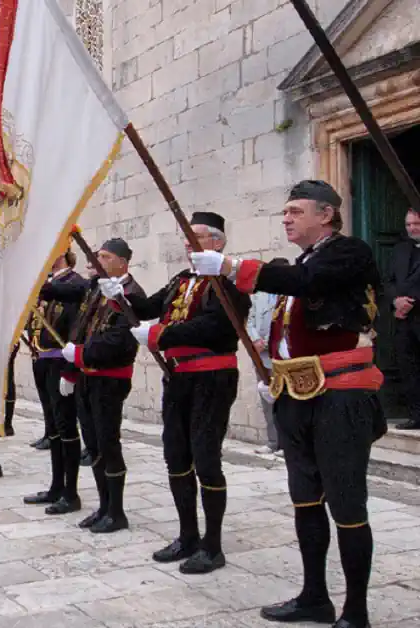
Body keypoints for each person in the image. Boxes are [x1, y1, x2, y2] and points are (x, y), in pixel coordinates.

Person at [191, 180, 383, 628]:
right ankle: (314, 596)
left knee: (347, 504)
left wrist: (233, 265)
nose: (286, 218)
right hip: (296, 394)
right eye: (284, 211)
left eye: (296, 210)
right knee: (305, 499)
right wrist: (275, 369)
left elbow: (307, 283)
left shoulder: (348, 252)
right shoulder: (304, 261)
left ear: (327, 215)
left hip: (342, 395)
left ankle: (356, 612)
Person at [103, 212, 250, 574]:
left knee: (206, 457)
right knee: (176, 455)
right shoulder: (181, 280)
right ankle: (187, 535)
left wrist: (160, 336)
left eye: (195, 237)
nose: (188, 243)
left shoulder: (228, 283)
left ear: (217, 243)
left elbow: (215, 327)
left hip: (211, 377)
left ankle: (212, 546)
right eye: (186, 238)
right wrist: (121, 296)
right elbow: (149, 308)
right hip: (178, 377)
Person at [50, 238, 143, 534]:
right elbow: (81, 326)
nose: (95, 262)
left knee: (108, 443)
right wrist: (71, 369)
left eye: (103, 257)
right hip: (87, 375)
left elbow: (119, 341)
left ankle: (116, 511)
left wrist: (78, 355)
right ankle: (103, 506)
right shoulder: (94, 288)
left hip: (110, 379)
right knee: (92, 445)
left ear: (122, 263)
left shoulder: (131, 293)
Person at [22, 247, 87, 515]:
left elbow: (78, 327)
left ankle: (70, 493)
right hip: (43, 359)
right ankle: (56, 486)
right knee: (53, 427)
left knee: (65, 426)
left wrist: (70, 369)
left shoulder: (76, 284)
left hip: (62, 360)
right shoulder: (49, 284)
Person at [385, 207, 420, 429]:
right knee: (408, 368)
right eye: (408, 225)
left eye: (416, 224)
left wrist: (411, 301)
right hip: (403, 321)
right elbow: (388, 280)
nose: (412, 229)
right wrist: (396, 301)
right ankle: (417, 415)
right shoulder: (399, 250)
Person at [247, 288, 281, 453]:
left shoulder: (288, 295)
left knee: (284, 399)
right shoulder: (258, 296)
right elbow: (249, 320)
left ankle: (286, 443)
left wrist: (267, 341)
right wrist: (255, 339)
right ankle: (273, 441)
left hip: (280, 355)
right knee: (267, 399)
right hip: (261, 356)